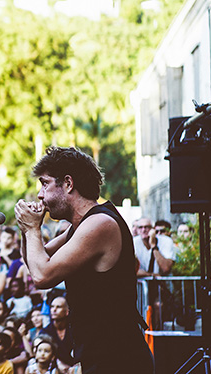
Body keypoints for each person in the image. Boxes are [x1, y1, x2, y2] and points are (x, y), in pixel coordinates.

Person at [14, 146, 153, 374]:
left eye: (45, 184)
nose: (40, 194)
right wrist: (25, 229)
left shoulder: (100, 224)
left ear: (68, 183)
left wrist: (32, 229)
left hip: (119, 358)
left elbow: (42, 276)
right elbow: (35, 261)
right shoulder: (78, 227)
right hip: (101, 355)